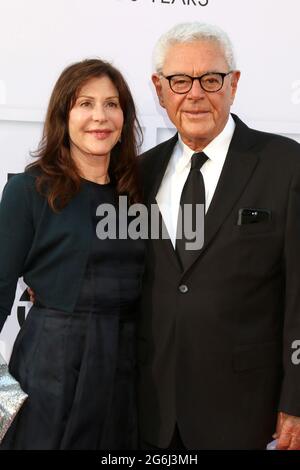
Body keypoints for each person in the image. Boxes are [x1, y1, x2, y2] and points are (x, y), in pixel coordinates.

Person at [138, 22, 300, 450]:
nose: (195, 94)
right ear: (159, 89)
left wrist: (297, 400)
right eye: (179, 80)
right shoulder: (137, 174)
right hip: (148, 409)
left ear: (234, 84)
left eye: (211, 79)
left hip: (245, 410)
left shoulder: (286, 165)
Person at [0, 59, 144, 450]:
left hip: (127, 367)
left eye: (112, 104)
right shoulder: (30, 190)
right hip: (52, 365)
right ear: (64, 114)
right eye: (85, 103)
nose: (100, 117)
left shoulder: (138, 192)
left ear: (125, 117)